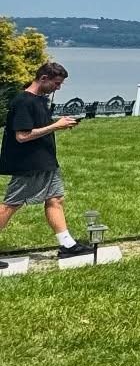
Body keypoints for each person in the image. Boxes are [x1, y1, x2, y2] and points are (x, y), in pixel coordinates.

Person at [0, 62, 95, 267]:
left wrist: (58, 124)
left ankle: (67, 245)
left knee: (55, 199)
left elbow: (40, 128)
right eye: (56, 83)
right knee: (10, 205)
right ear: (43, 79)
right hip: (29, 164)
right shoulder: (24, 101)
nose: (58, 88)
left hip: (46, 162)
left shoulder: (39, 100)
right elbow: (22, 136)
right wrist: (56, 126)